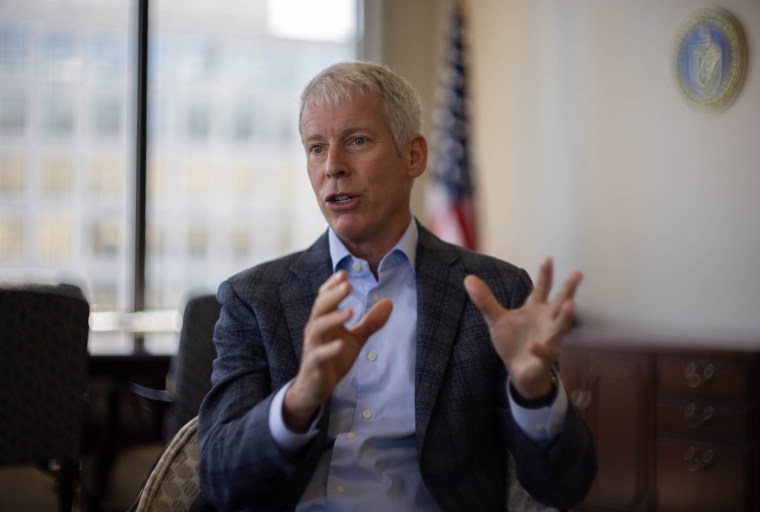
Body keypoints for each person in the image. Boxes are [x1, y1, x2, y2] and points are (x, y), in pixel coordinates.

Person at [197, 61, 596, 511]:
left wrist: (534, 391)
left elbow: (565, 487)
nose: (332, 167)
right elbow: (219, 479)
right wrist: (299, 398)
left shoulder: (494, 293)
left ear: (414, 156)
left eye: (357, 141)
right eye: (315, 148)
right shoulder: (254, 298)